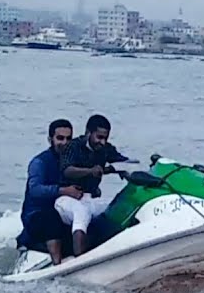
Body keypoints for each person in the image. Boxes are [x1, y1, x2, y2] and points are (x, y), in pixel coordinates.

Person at [58, 114, 132, 259]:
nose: (102, 142)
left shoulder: (106, 149)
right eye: (99, 137)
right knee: (81, 212)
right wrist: (90, 171)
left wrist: (128, 169)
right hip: (66, 199)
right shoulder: (73, 146)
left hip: (89, 198)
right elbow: (67, 170)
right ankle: (79, 259)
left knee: (117, 206)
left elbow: (122, 161)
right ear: (88, 133)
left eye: (105, 138)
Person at [17, 120, 83, 266]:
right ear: (50, 139)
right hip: (36, 216)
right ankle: (57, 266)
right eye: (60, 138)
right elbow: (35, 189)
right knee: (50, 218)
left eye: (68, 138)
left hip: (62, 212)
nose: (64, 142)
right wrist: (62, 191)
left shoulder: (75, 162)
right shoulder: (39, 162)